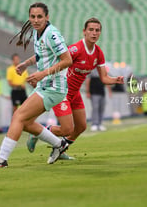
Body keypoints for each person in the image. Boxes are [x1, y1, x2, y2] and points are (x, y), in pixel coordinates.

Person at [0, 2, 72, 168]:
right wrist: (25, 64)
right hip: (46, 85)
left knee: (18, 117)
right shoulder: (38, 33)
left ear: (47, 17)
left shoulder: (52, 34)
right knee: (27, 123)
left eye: (39, 17)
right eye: (33, 17)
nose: (36, 20)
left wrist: (43, 73)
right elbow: (41, 55)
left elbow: (67, 60)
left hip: (53, 86)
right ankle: (59, 145)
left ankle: (1, 160)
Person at [26, 17, 124, 158]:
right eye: (91, 30)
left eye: (97, 30)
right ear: (84, 32)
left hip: (75, 93)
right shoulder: (75, 49)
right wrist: (41, 75)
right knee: (67, 129)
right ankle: (38, 132)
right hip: (62, 92)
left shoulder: (98, 53)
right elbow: (54, 60)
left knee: (81, 127)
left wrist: (115, 80)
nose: (94, 33)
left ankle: (60, 151)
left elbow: (104, 78)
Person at [86, 66, 112, 131]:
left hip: (102, 92)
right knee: (95, 108)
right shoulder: (91, 70)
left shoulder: (103, 71)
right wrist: (88, 92)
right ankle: (94, 124)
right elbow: (88, 81)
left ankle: (100, 124)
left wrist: (109, 91)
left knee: (101, 108)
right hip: (94, 92)